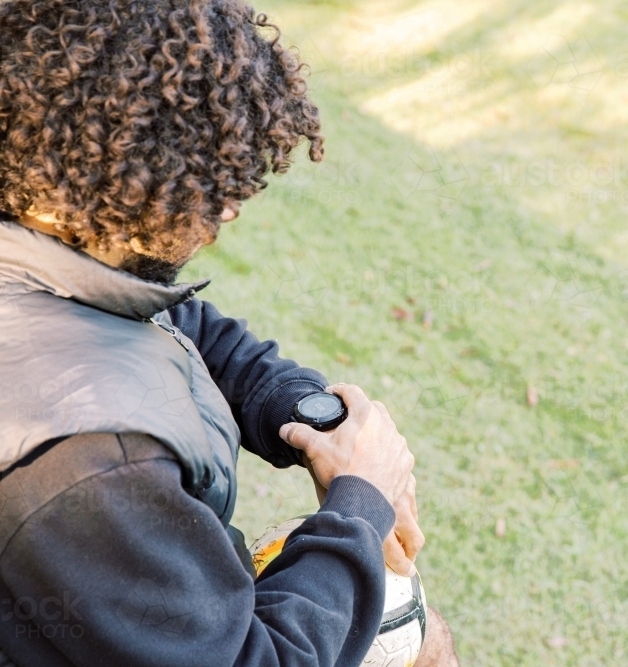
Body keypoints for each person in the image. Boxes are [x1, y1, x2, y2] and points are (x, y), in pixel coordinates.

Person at [0, 0, 459, 665]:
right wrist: (361, 505)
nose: (232, 205)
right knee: (420, 638)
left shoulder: (46, 247)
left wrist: (311, 418)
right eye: (200, 181)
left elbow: (162, 317)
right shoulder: (93, 460)